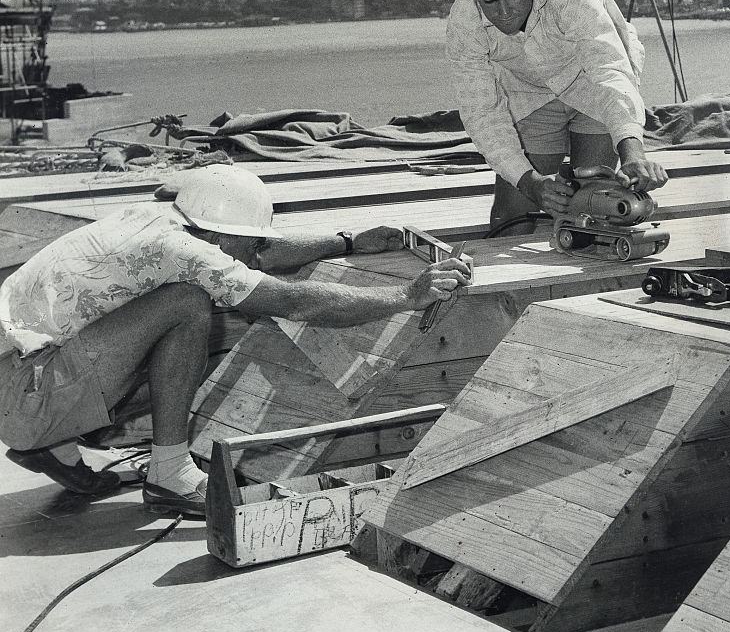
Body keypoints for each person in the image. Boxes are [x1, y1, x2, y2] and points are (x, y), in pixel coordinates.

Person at [0, 166, 470, 515]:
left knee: (165, 320)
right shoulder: (186, 253)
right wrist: (406, 295)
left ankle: (54, 447)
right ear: (222, 239)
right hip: (28, 397)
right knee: (186, 307)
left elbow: (258, 254)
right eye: (251, 242)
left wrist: (347, 242)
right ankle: (169, 473)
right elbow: (296, 302)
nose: (257, 251)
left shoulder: (157, 219)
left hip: (19, 377)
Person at [445, 0, 668, 231]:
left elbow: (608, 71)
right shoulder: (463, 23)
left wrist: (633, 150)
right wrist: (530, 183)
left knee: (597, 209)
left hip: (593, 88)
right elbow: (482, 113)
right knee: (510, 220)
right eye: (489, 2)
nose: (504, 14)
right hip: (530, 94)